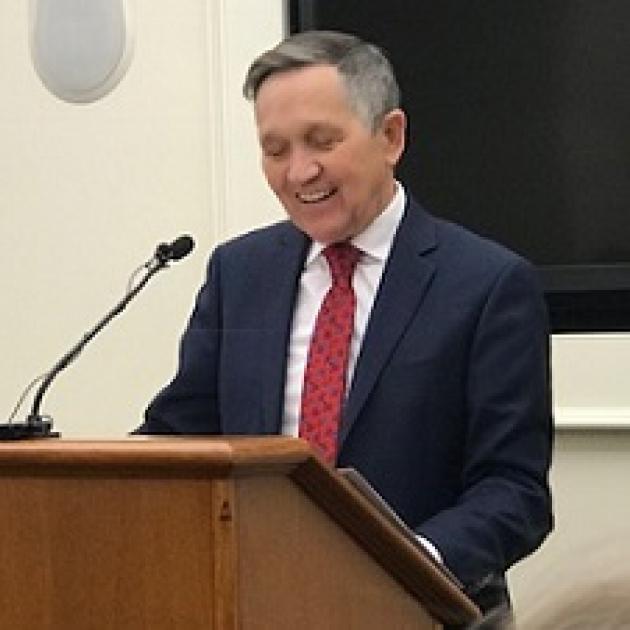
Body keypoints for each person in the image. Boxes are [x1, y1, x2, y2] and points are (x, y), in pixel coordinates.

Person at [136, 30, 553, 614]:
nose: (299, 171)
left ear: (391, 136)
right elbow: (181, 436)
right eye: (275, 149)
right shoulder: (239, 273)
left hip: (421, 610)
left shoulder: (487, 284)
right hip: (258, 606)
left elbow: (515, 490)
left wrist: (411, 564)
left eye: (320, 141)